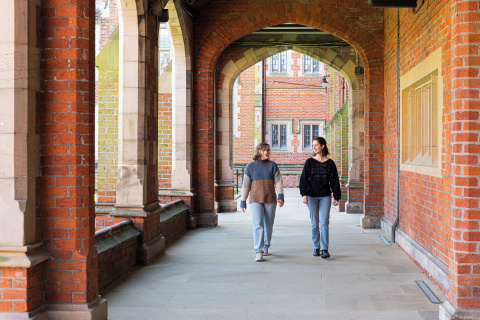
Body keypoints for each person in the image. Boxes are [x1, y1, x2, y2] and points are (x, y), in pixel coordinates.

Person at [240, 143, 284, 262]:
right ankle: (258, 251)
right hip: (255, 199)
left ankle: (265, 246)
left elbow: (279, 182)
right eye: (266, 150)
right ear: (260, 151)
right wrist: (243, 201)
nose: (268, 152)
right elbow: (245, 185)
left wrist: (280, 196)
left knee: (268, 224)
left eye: (269, 150)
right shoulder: (250, 166)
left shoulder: (272, 165)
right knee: (257, 224)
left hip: (270, 198)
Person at [299, 137, 341, 258]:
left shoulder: (330, 163)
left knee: (324, 223)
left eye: (316, 145)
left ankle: (324, 249)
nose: (314, 147)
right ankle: (316, 247)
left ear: (323, 146)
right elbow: (303, 180)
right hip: (311, 196)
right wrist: (304, 194)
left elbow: (334, 182)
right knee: (314, 224)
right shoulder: (309, 162)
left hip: (325, 196)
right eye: (313, 145)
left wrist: (336, 197)